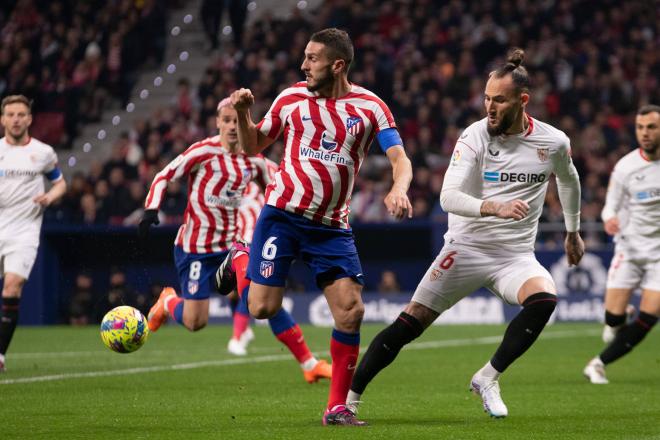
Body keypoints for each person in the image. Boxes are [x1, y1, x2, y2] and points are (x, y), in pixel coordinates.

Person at [345, 49, 584, 420]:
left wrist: (573, 230)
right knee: (409, 325)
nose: (489, 107)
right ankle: (348, 401)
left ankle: (487, 377)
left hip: (514, 256)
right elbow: (448, 197)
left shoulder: (552, 142)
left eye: (499, 100)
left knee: (544, 300)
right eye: (487, 98)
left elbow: (569, 180)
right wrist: (495, 207)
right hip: (466, 249)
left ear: (523, 101)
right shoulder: (474, 136)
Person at [224, 28, 413, 425]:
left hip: (331, 227)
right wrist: (243, 114)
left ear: (337, 65)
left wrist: (399, 188)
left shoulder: (370, 107)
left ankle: (336, 408)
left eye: (312, 58)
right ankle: (241, 256)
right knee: (261, 307)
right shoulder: (291, 98)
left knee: (350, 311)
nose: (303, 64)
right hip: (283, 217)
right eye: (305, 57)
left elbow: (399, 157)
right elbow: (253, 146)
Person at [140, 98, 331, 383]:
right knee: (195, 322)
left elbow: (283, 184)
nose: (231, 126)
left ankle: (309, 363)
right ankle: (168, 302)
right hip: (196, 247)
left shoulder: (253, 158)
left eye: (235, 120)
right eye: (226, 120)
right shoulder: (203, 151)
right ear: (217, 122)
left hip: (233, 247)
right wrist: (152, 208)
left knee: (260, 298)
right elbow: (164, 175)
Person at [583, 104, 660, 384]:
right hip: (629, 250)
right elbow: (609, 207)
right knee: (613, 321)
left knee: (649, 316)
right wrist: (610, 219)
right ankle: (618, 317)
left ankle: (598, 364)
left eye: (651, 127)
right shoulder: (626, 167)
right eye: (641, 128)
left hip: (659, 256)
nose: (645, 133)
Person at [0, 95, 67, 372]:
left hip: (24, 232)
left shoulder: (43, 152)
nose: (16, 119)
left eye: (21, 114)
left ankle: (0, 355)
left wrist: (51, 197)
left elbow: (60, 183)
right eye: (11, 114)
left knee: (12, 287)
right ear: (3, 119)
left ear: (29, 119)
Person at [225, 156, 278, 356]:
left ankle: (237, 337)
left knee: (248, 286)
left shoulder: (273, 167)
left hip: (258, 236)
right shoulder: (232, 167)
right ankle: (243, 330)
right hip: (235, 234)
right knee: (234, 290)